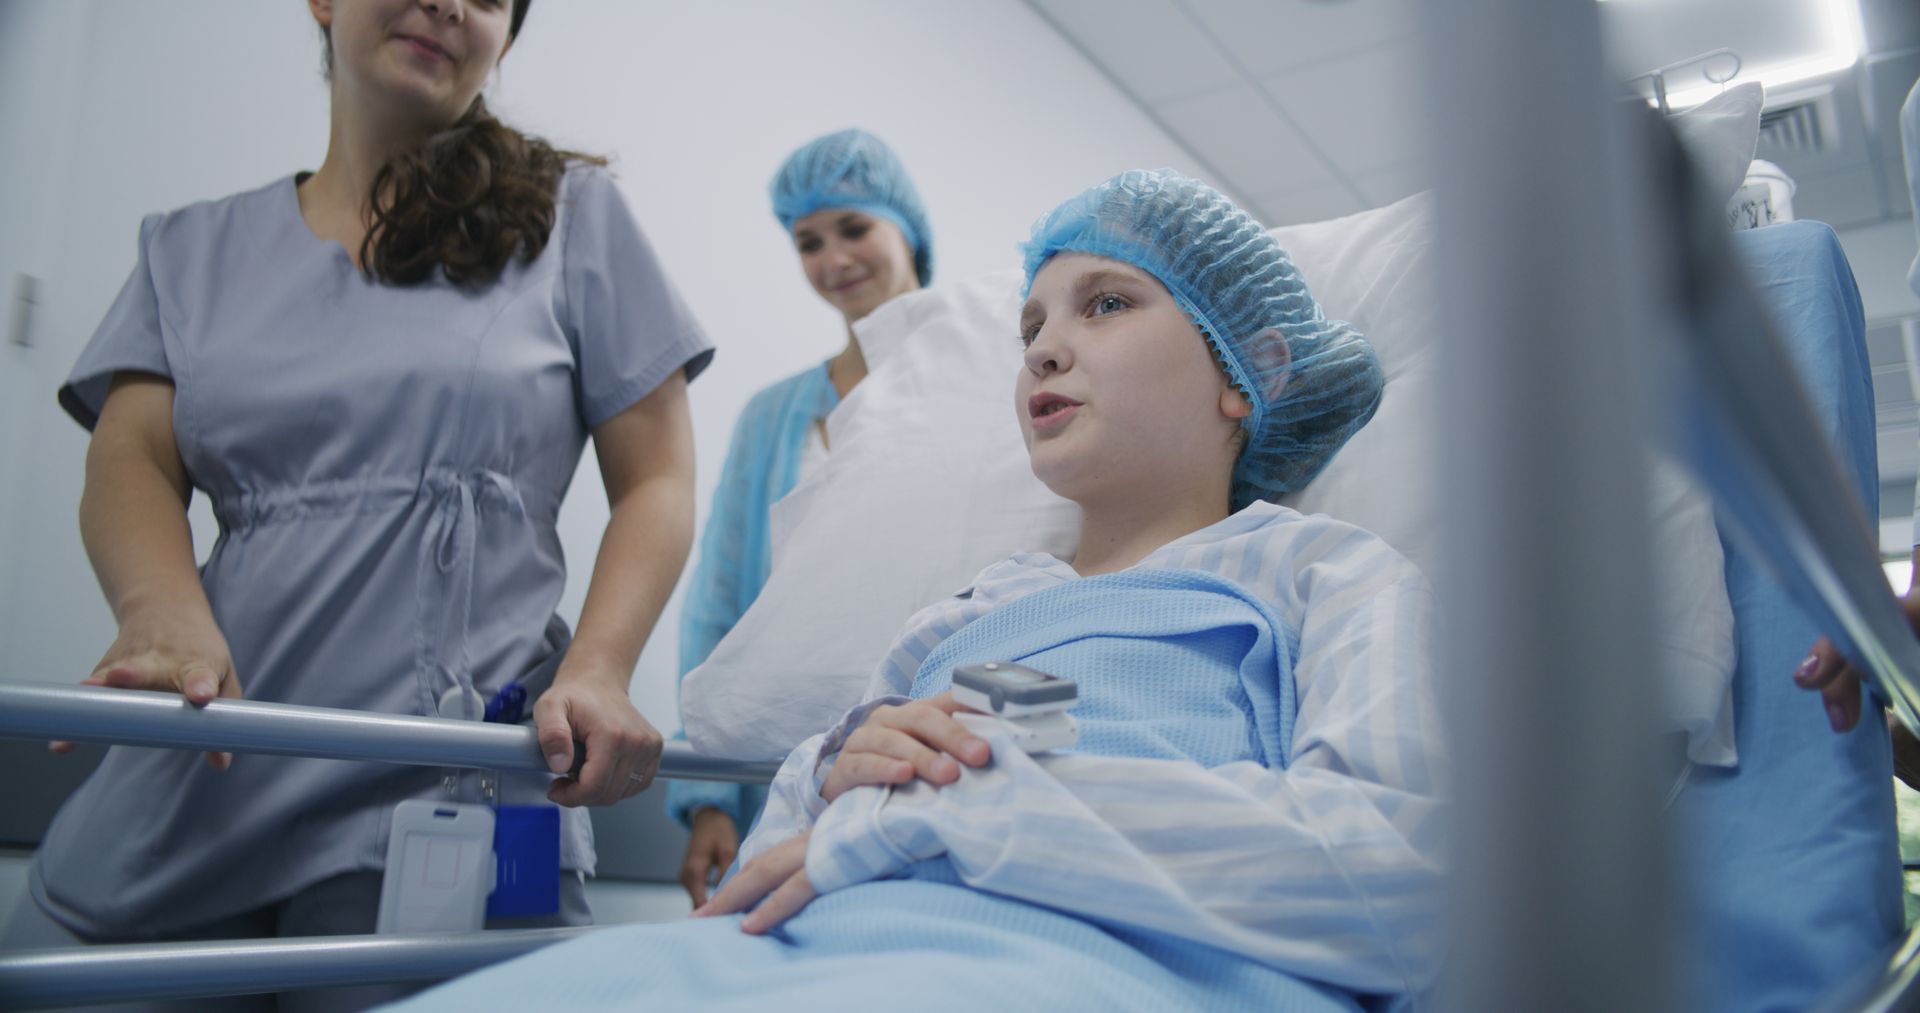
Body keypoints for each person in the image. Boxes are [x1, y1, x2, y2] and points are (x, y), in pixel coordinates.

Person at [390, 170, 1445, 1011]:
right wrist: (848, 784)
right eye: (1028, 330)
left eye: (1107, 303)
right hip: (810, 953)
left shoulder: (1321, 574)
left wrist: (969, 816)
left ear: (1247, 369)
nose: (1045, 350)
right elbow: (775, 870)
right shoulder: (968, 609)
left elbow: (1399, 874)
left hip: (1113, 964)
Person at [10, 0, 711, 1005]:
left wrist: (600, 667)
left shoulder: (574, 219)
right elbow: (131, 460)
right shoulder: (191, 251)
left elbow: (657, 477)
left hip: (441, 787)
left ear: (503, 38)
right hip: (208, 762)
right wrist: (157, 611)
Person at [667, 128, 932, 906]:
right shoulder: (771, 417)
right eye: (808, 242)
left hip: (920, 756)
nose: (834, 259)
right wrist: (706, 791)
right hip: (779, 772)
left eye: (855, 228)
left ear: (907, 228)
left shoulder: (985, 382)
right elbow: (720, 605)